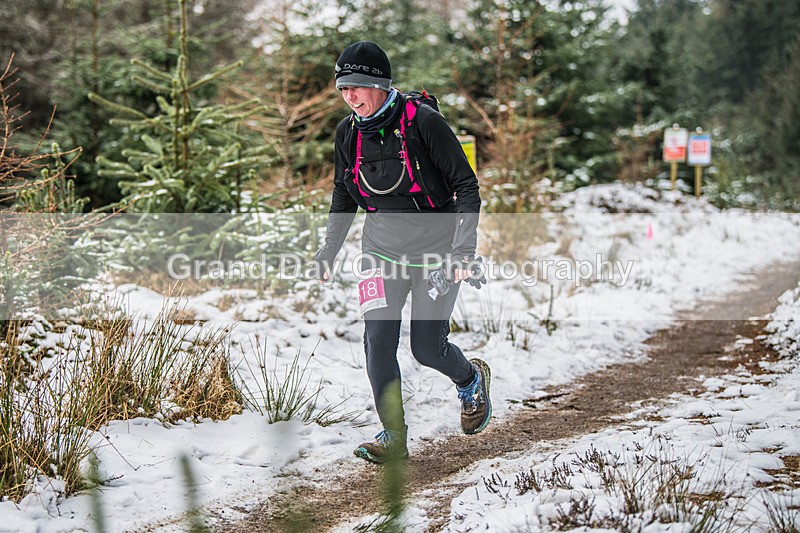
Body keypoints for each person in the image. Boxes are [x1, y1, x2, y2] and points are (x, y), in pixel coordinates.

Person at [314, 41, 491, 464]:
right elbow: (344, 191)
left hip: (436, 250)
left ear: (379, 84)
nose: (350, 96)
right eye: (343, 89)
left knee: (427, 348)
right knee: (377, 342)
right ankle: (394, 435)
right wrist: (329, 247)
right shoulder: (347, 133)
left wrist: (463, 251)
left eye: (357, 86)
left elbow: (466, 187)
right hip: (380, 250)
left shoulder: (424, 123)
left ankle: (470, 380)